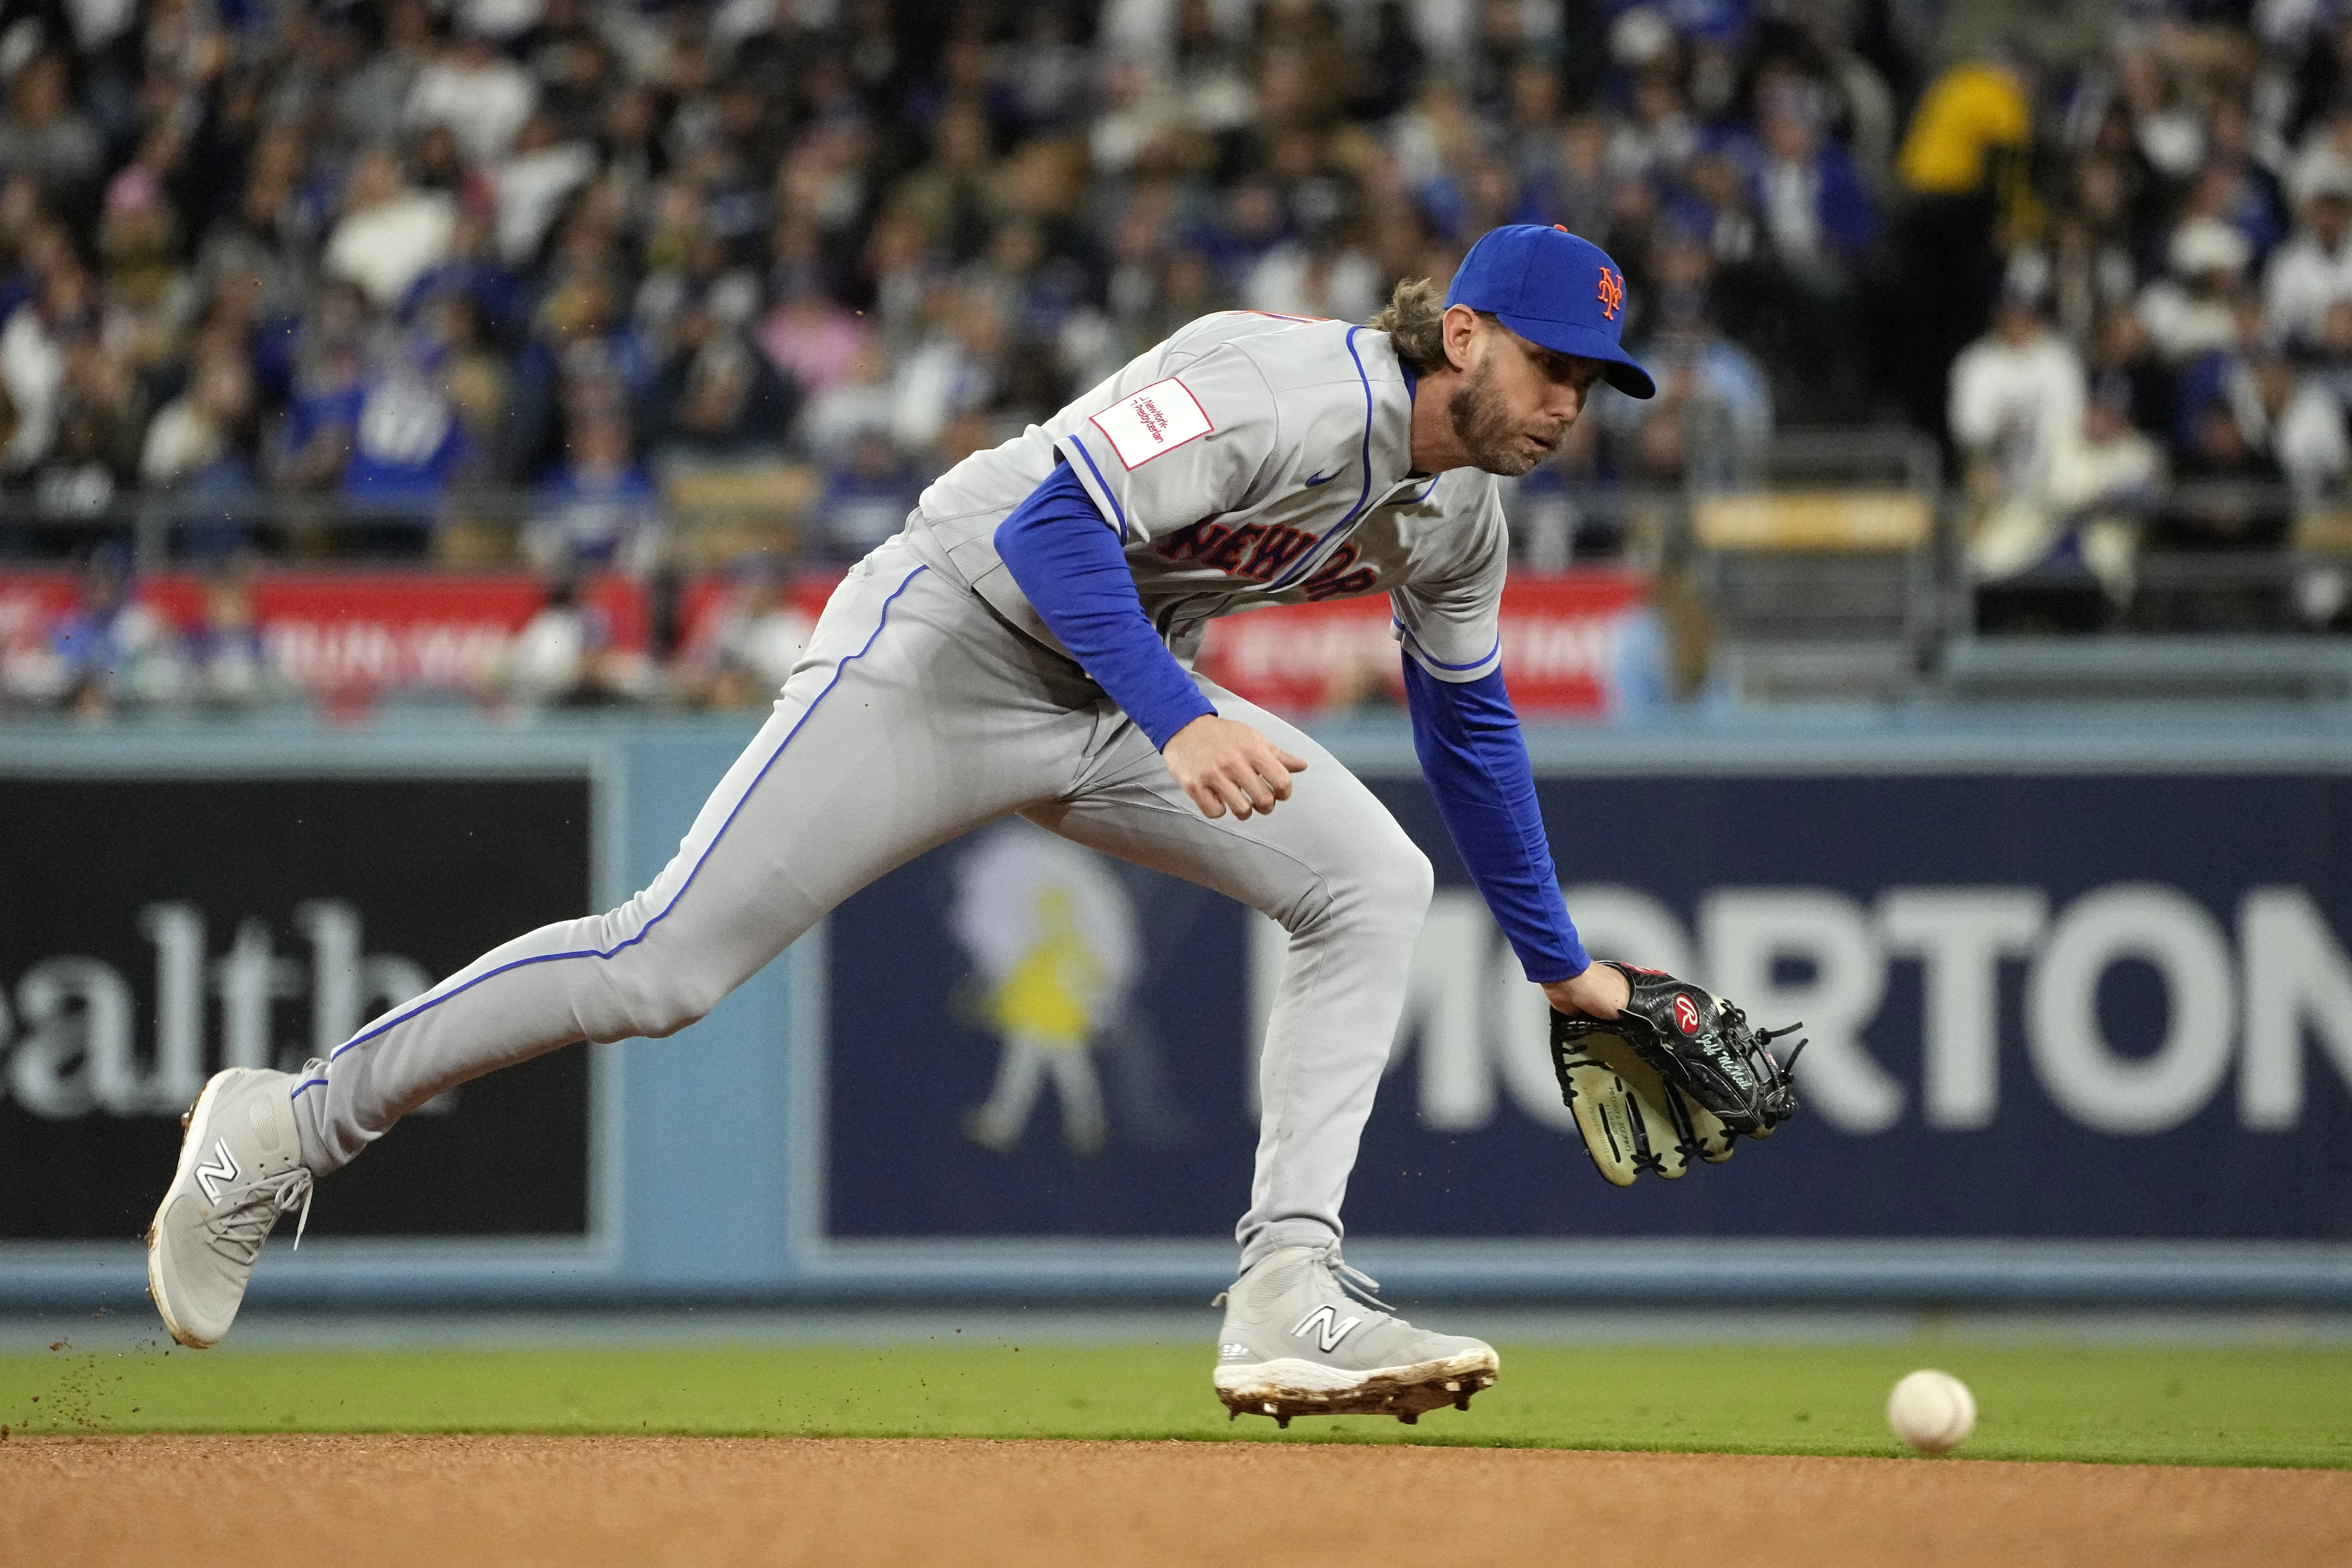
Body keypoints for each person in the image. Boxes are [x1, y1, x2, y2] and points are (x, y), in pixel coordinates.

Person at [146, 224, 1646, 1426]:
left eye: (1596, 379)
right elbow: (1046, 528)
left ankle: (1286, 1290)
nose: (1571, 400)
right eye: (1553, 363)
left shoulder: (1455, 517)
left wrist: (1555, 956)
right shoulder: (1279, 384)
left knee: (1368, 880)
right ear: (1461, 334)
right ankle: (284, 1129)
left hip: (1117, 691)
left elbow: (1467, 723)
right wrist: (1184, 718)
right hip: (950, 640)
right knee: (659, 967)